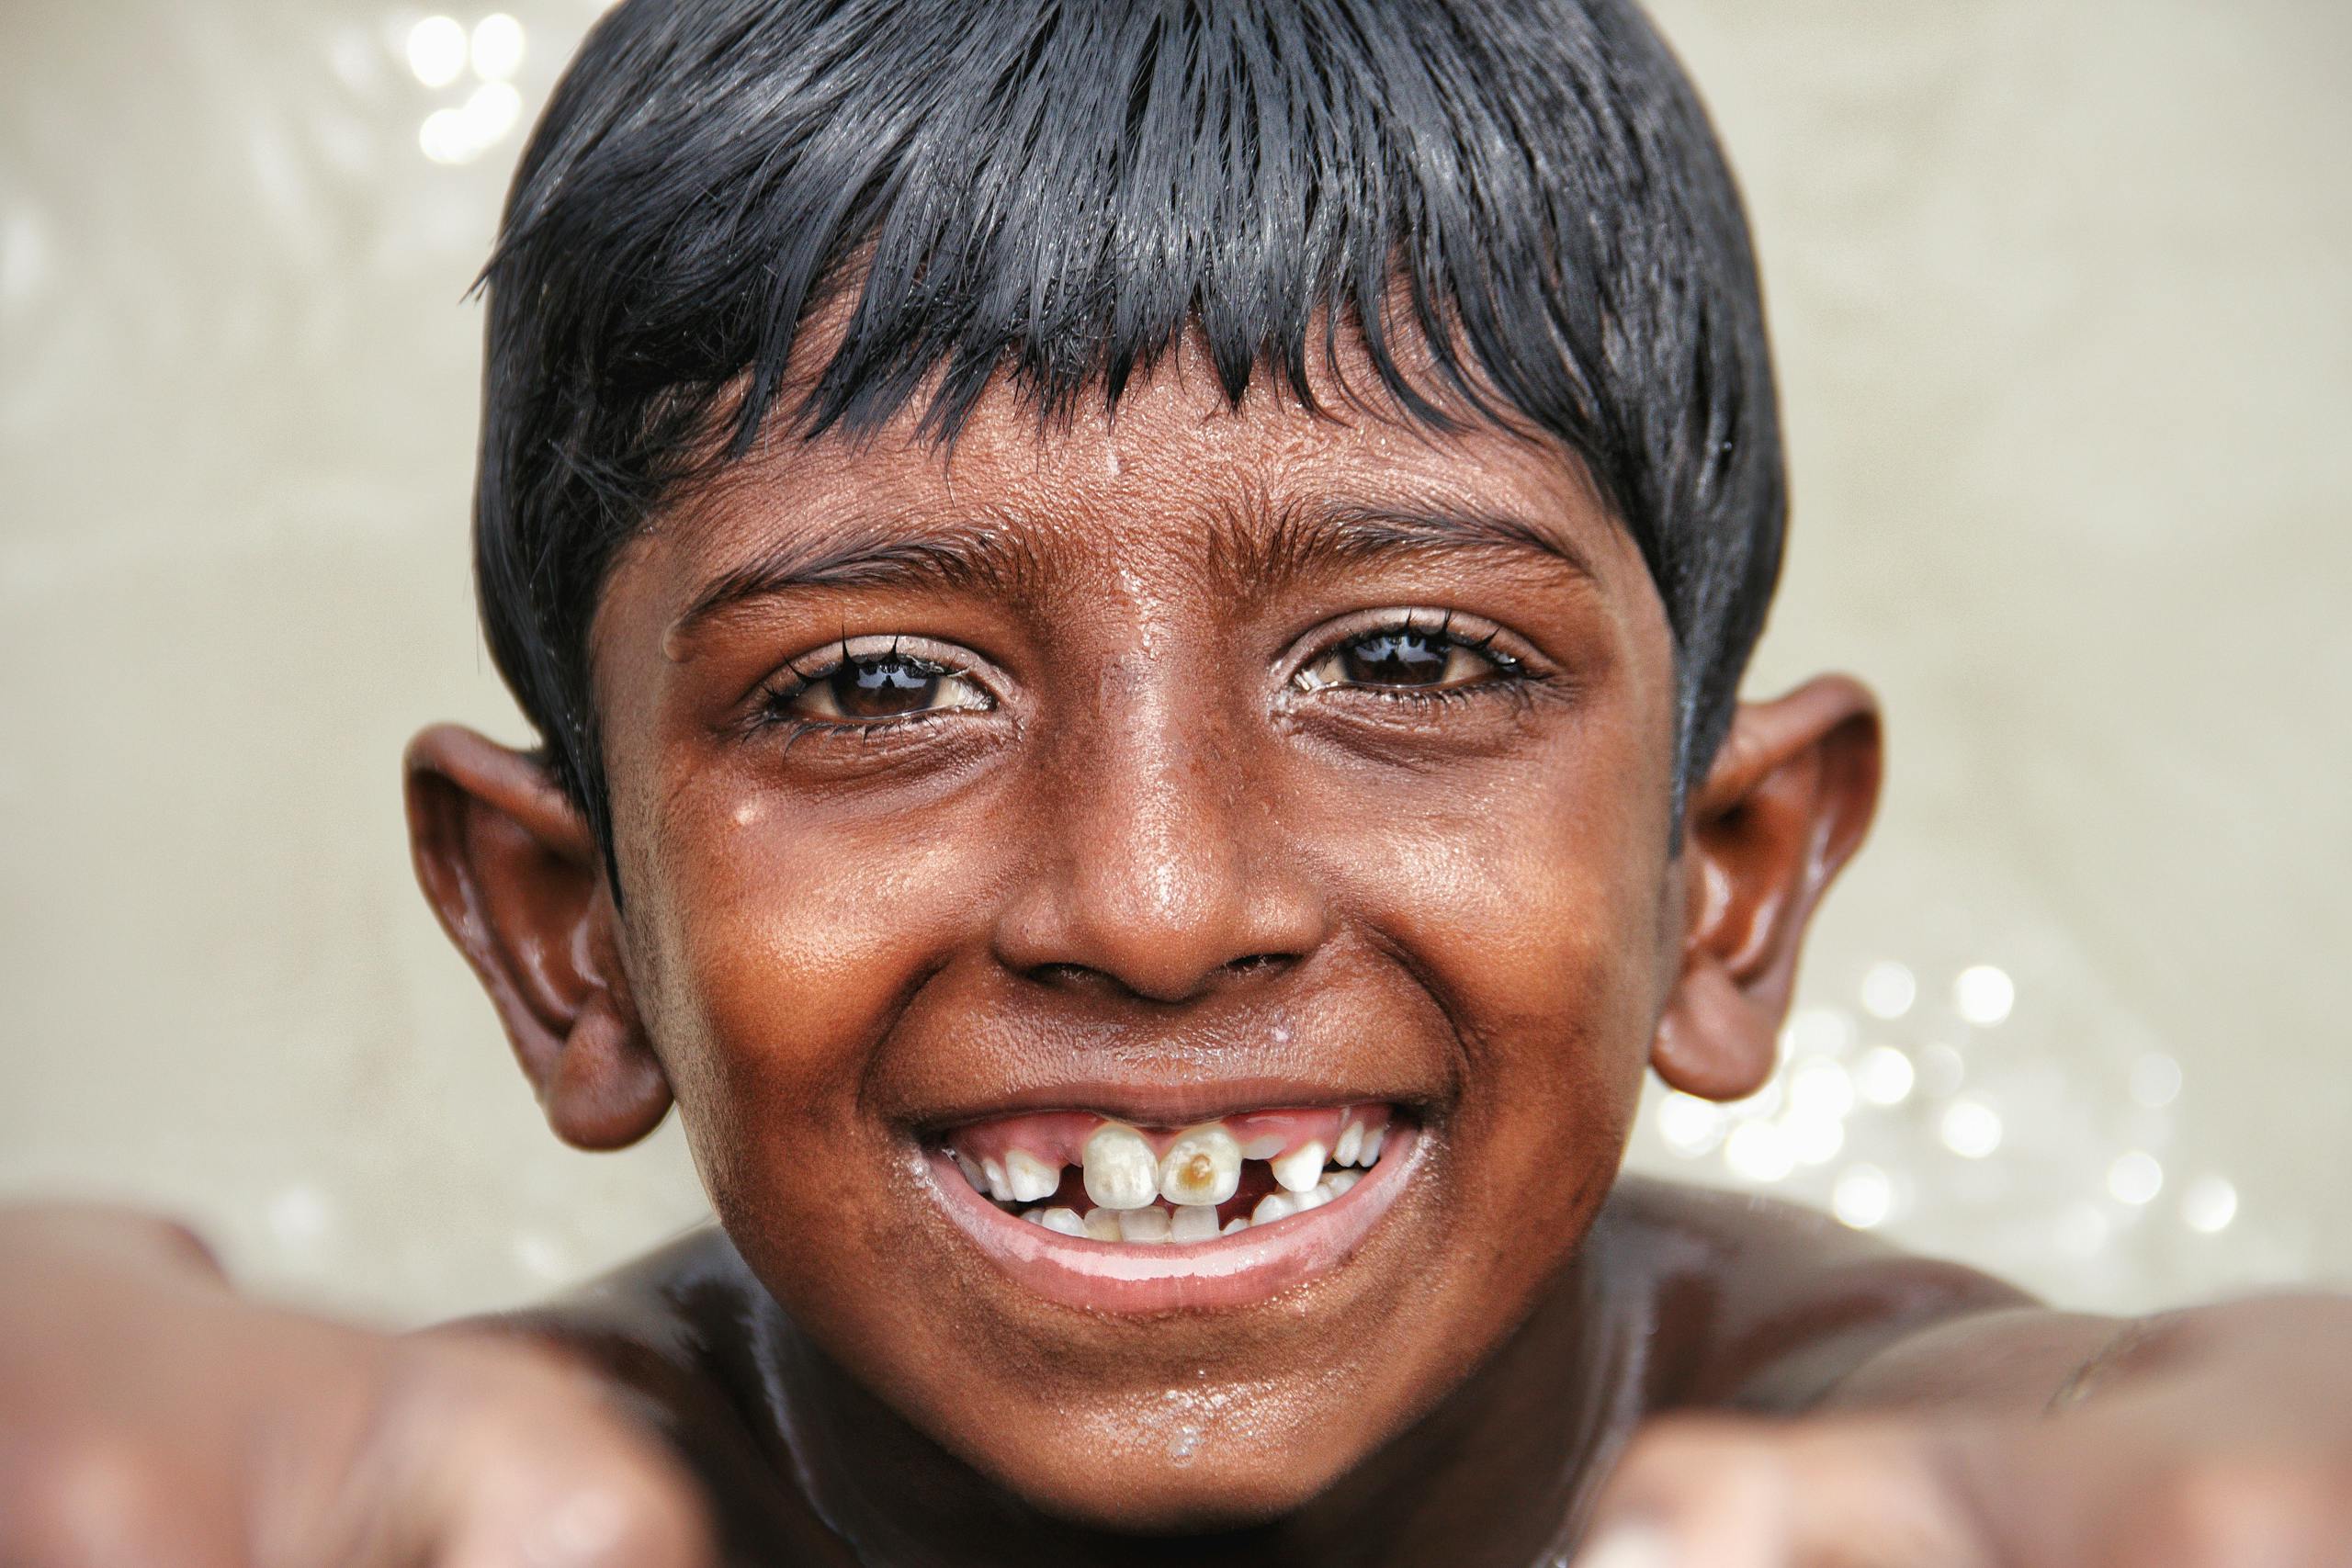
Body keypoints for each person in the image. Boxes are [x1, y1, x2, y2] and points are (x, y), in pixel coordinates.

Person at [5, 2, 2348, 1564]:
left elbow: (2212, 1432)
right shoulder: (476, 1501)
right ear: (564, 932)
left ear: (1722, 885)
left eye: (1411, 656)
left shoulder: (1903, 1476)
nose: (1146, 895)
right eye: (870, 690)